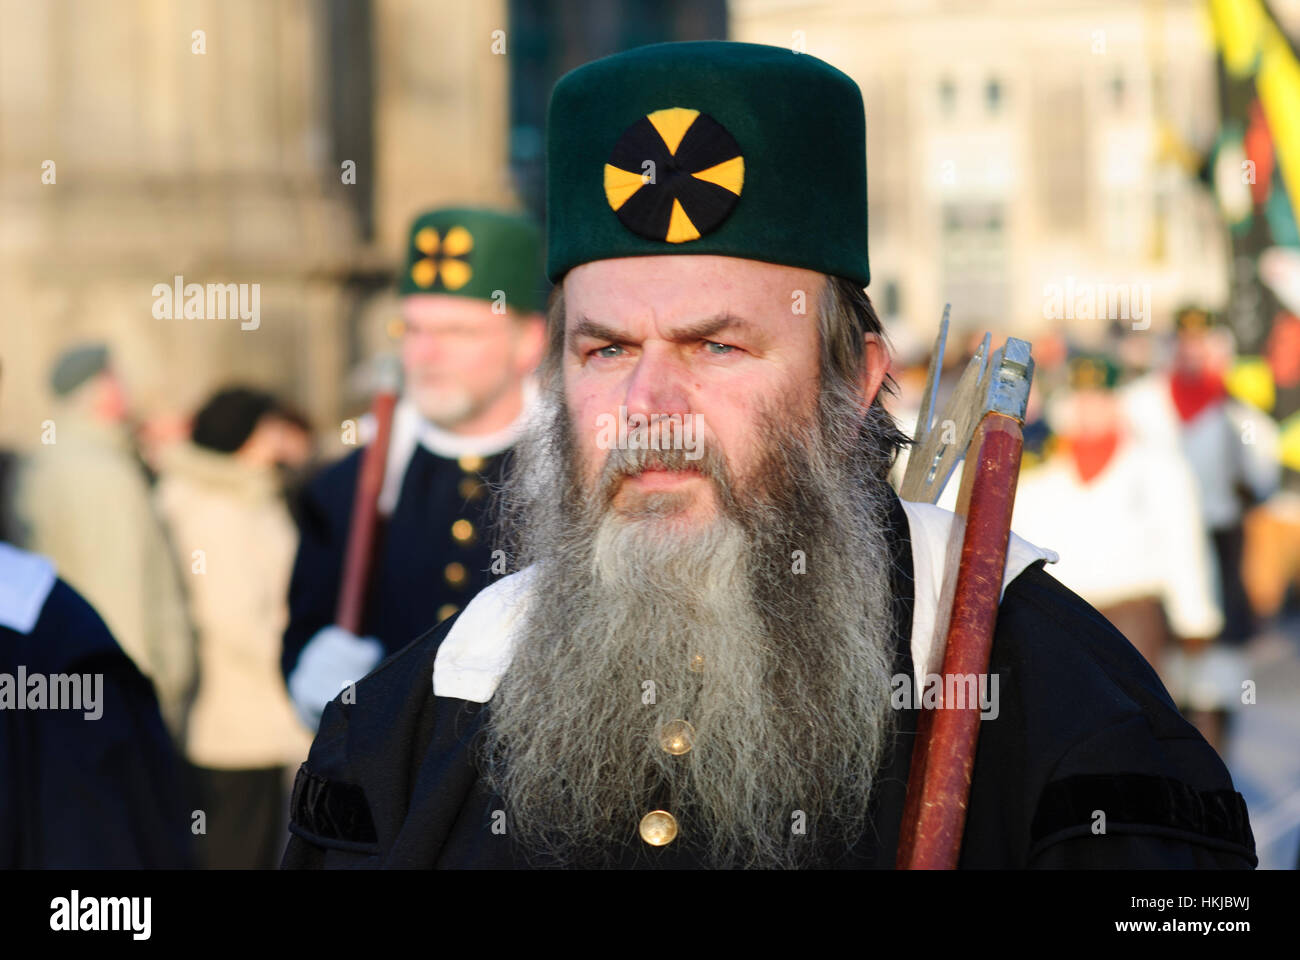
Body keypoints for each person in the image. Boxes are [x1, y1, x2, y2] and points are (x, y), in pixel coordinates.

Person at [283, 41, 1255, 869]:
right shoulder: (412, 724)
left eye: (717, 346)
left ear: (853, 386)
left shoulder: (1074, 720)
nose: (648, 407)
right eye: (606, 349)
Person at [281, 208, 545, 731]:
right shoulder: (349, 487)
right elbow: (306, 626)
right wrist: (312, 678)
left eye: (457, 331)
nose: (425, 354)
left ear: (529, 341)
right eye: (412, 328)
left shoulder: (581, 482)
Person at [154, 387, 316, 868]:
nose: (280, 438)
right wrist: (293, 664)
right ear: (243, 434)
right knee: (234, 846)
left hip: (255, 706)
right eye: (270, 427)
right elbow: (228, 614)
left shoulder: (247, 493)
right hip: (236, 712)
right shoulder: (215, 508)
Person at [11, 343, 195, 742]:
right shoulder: (99, 474)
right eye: (118, 377)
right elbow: (121, 595)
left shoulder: (58, 459)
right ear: (102, 388)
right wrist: (141, 699)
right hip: (117, 698)